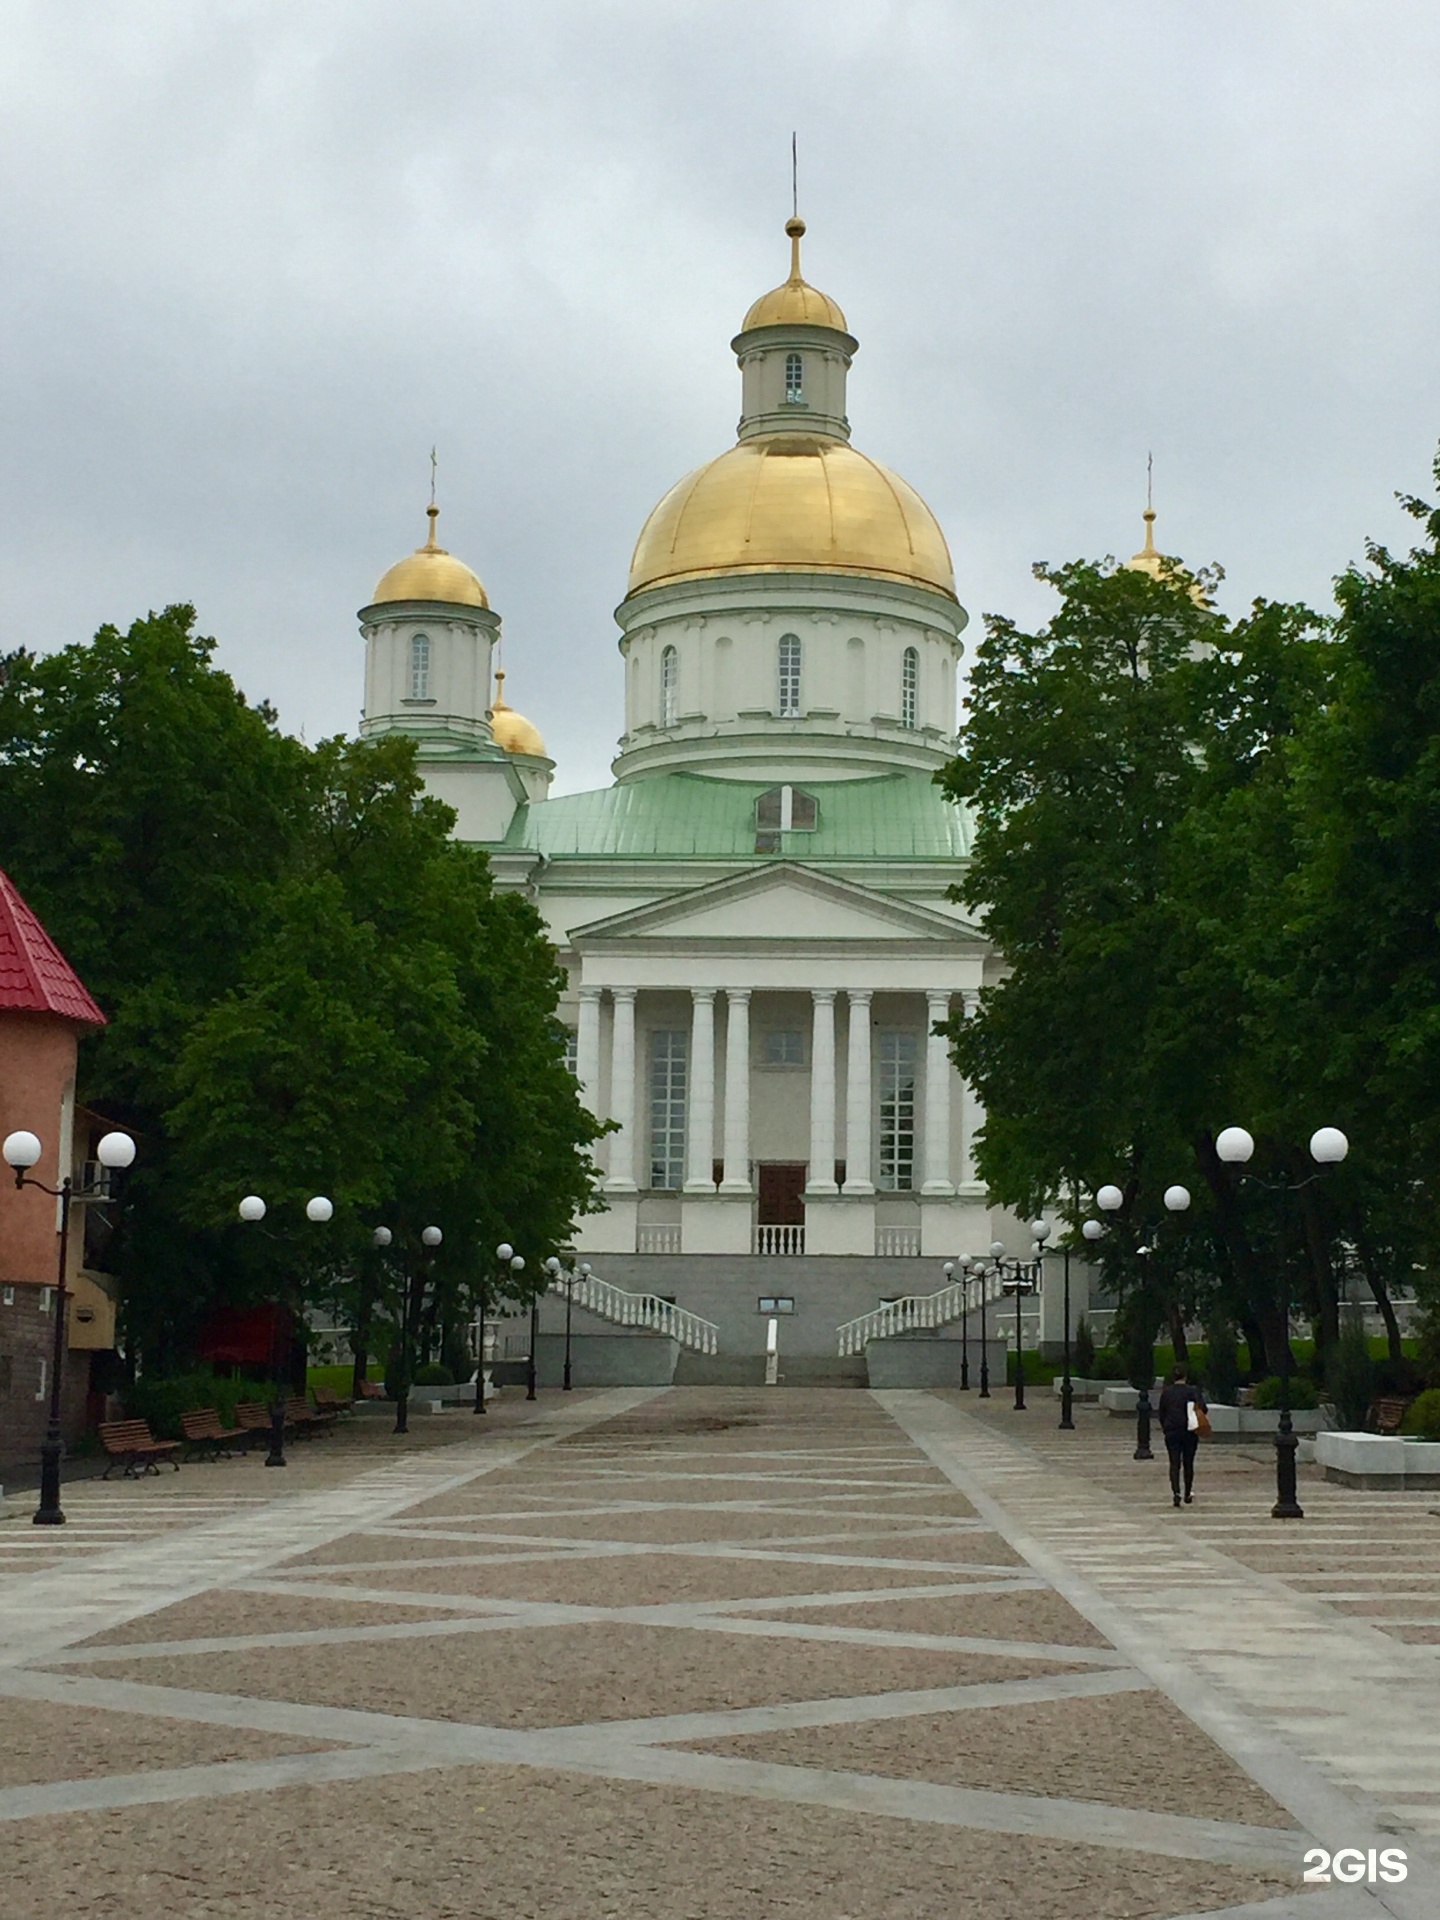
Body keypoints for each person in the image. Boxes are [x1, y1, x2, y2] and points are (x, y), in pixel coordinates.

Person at [1157, 1364, 1206, 1507]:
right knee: (1188, 1462)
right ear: (1186, 1376)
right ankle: (1187, 1492)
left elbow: (1162, 1413)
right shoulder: (1192, 1391)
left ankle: (1176, 1492)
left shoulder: (1167, 1393)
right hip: (1189, 1430)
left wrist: (1165, 1427)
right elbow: (1203, 1408)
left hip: (1172, 1430)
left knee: (1174, 1462)